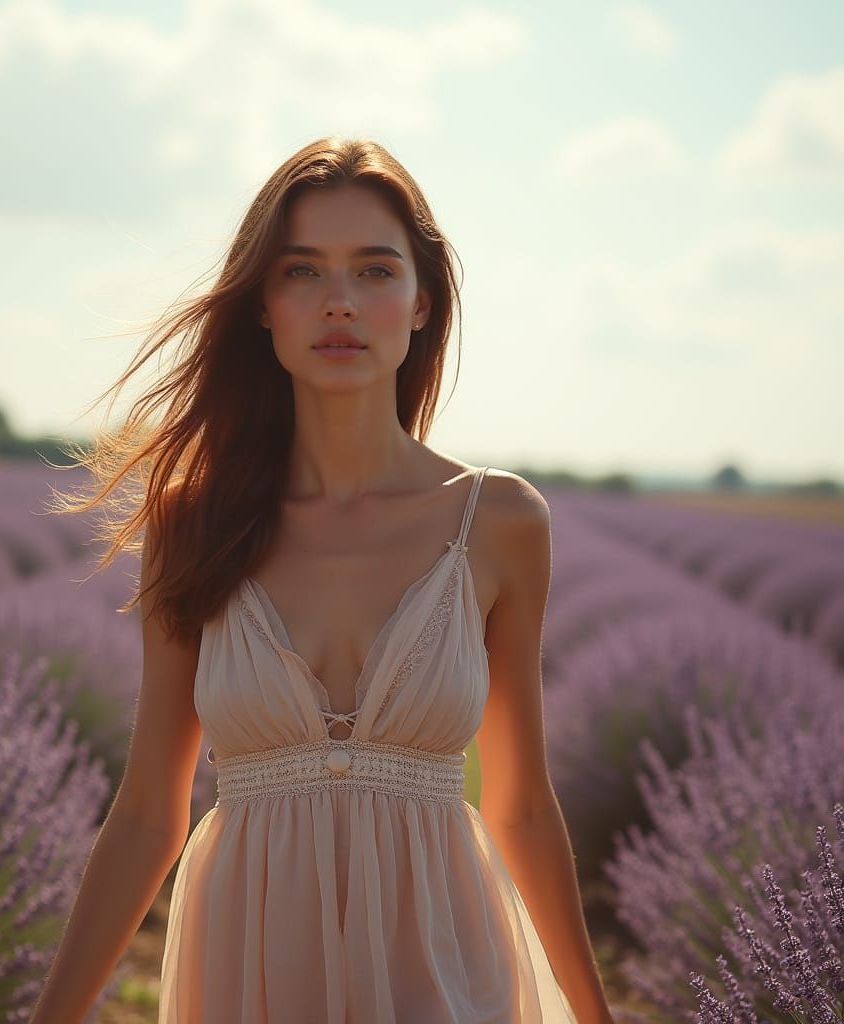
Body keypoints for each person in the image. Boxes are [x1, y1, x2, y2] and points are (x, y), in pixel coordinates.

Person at [31, 136, 613, 1023]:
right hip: (252, 971)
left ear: (423, 304)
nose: (339, 302)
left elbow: (522, 804)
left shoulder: (498, 522)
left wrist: (596, 1014)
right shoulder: (195, 523)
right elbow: (150, 809)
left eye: (375, 272)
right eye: (302, 271)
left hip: (447, 965)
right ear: (262, 304)